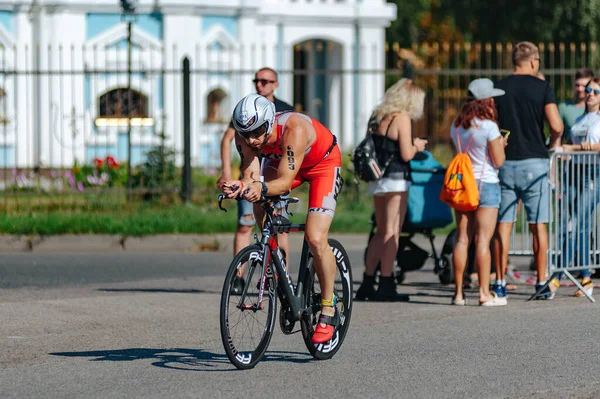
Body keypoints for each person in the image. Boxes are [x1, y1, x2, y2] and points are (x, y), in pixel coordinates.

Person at [220, 93, 344, 344]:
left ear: (268, 121)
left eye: (257, 131)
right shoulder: (244, 136)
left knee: (315, 237)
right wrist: (239, 185)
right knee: (257, 202)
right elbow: (251, 177)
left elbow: (285, 182)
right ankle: (274, 258)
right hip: (283, 161)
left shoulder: (293, 129)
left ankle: (329, 307)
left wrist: (260, 188)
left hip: (322, 164)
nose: (252, 139)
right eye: (246, 134)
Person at [492, 41, 564, 301]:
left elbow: (490, 123)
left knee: (503, 225)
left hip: (505, 163)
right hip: (535, 163)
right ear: (533, 61)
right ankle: (541, 282)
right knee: (538, 226)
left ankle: (499, 282)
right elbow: (556, 125)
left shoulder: (499, 87)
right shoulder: (542, 87)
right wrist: (551, 143)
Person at [217, 67, 294, 294]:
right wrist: (226, 172)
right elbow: (228, 139)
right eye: (257, 81)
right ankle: (238, 278)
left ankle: (282, 277)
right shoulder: (246, 109)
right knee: (245, 225)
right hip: (250, 174)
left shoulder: (284, 110)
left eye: (266, 81)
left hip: (276, 173)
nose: (260, 85)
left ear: (275, 84)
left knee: (280, 228)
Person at [355, 79, 427, 301]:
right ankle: (386, 282)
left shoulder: (378, 116)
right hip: (396, 178)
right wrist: (418, 145)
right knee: (392, 231)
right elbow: (406, 154)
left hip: (377, 178)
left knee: (380, 230)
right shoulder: (401, 118)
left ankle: (368, 281)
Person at [450, 78, 508, 306]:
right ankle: (484, 294)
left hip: (463, 185)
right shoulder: (489, 127)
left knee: (463, 238)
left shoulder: (456, 124)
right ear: (485, 101)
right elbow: (498, 161)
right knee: (483, 241)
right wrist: (501, 145)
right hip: (486, 184)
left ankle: (458, 294)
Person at [548, 77, 600, 297]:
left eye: (595, 91)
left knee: (577, 222)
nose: (589, 94)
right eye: (588, 90)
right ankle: (586, 277)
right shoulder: (580, 118)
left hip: (592, 174)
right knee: (571, 224)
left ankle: (557, 277)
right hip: (572, 173)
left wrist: (577, 148)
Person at [558, 68, 594, 144]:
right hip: (571, 154)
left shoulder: (596, 109)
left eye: (584, 86)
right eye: (577, 85)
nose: (580, 89)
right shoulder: (564, 108)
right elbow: (557, 135)